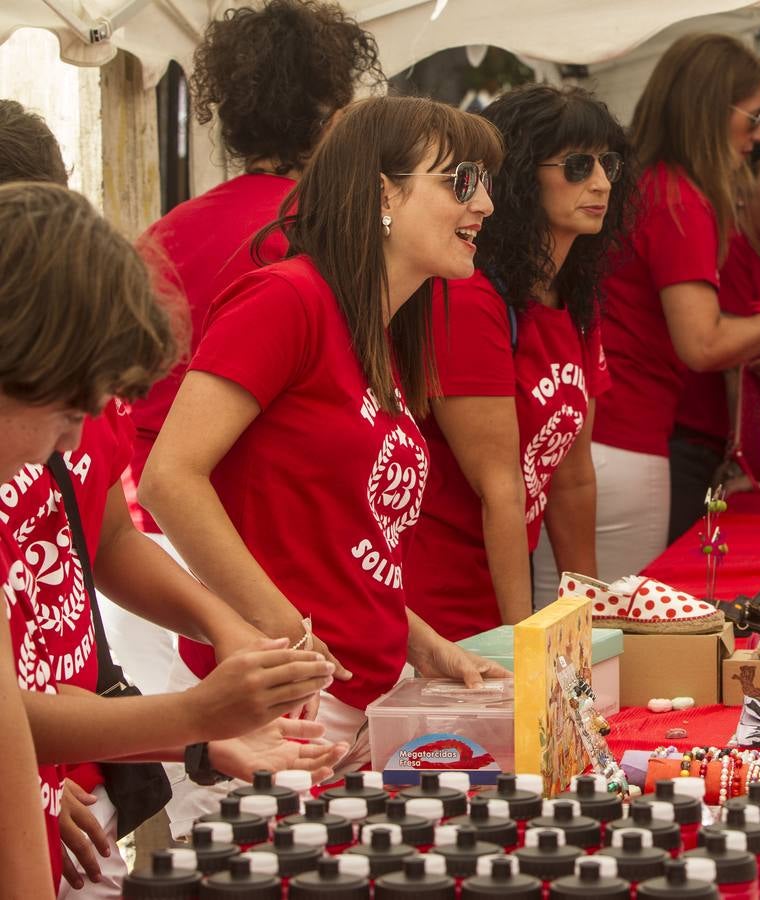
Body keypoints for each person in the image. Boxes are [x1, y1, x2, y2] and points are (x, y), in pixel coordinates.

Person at [0, 101, 346, 897]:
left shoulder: (52, 396)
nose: (73, 442)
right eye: (69, 413)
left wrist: (217, 650)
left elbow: (108, 534)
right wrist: (193, 721)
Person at [138, 96, 509, 835]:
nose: (487, 204)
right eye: (461, 182)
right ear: (382, 194)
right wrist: (287, 631)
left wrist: (421, 641)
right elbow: (168, 478)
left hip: (353, 711)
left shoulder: (374, 324)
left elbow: (341, 538)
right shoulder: (289, 298)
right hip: (276, 714)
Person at [124, 0, 384, 698]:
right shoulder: (321, 238)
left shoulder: (166, 231)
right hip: (262, 555)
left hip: (145, 553)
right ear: (331, 109)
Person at [574, 33, 760, 585]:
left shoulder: (650, 185)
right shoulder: (678, 196)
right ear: (714, 109)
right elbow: (702, 342)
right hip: (629, 435)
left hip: (608, 433)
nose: (758, 134)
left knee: (577, 625)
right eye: (754, 117)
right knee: (615, 632)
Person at [404, 84, 631, 638]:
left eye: (608, 163)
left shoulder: (574, 298)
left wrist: (590, 620)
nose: (600, 182)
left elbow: (573, 478)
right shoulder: (470, 297)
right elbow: (498, 487)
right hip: (440, 602)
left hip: (500, 582)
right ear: (521, 175)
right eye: (577, 165)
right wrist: (522, 642)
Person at [667, 115, 760, 541]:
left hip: (733, 450)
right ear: (740, 186)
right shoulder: (722, 248)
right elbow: (718, 344)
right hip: (686, 442)